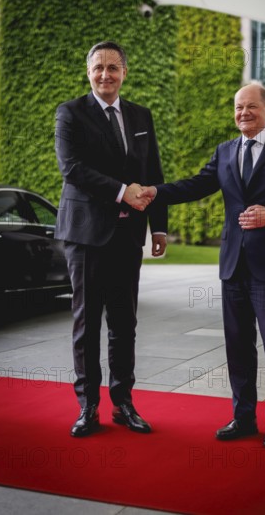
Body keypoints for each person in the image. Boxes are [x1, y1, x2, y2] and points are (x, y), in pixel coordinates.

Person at [140, 81, 265, 447]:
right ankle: (242, 417)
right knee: (237, 345)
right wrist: (156, 192)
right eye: (238, 108)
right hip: (233, 264)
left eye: (251, 107)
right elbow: (195, 185)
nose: (243, 113)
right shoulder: (225, 151)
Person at [54, 41, 167, 437]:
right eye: (99, 67)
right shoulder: (70, 113)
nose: (106, 74)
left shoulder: (141, 115)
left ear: (124, 72)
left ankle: (123, 403)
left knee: (124, 323)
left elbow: (153, 171)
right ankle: (88, 407)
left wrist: (160, 226)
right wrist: (123, 191)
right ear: (88, 72)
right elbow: (72, 169)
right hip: (86, 235)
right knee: (87, 324)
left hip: (127, 236)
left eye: (113, 68)